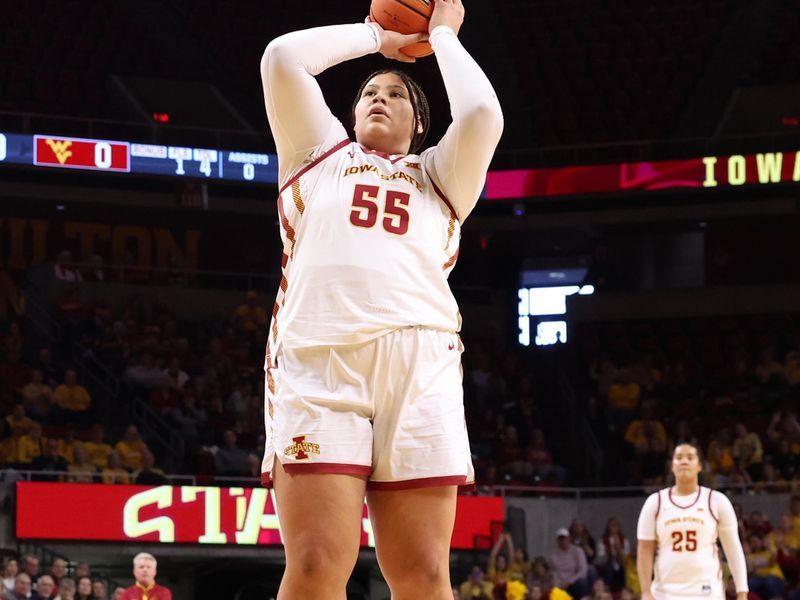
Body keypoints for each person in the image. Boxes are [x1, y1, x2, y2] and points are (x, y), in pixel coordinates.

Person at [258, 0, 503, 598]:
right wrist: (378, 37)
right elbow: (283, 57)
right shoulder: (319, 155)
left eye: (395, 95)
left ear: (419, 123)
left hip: (421, 368)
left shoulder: (440, 176)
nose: (378, 97)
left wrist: (441, 36)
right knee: (316, 564)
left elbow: (481, 113)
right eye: (369, 91)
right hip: (321, 361)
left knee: (422, 574)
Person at [636, 443, 748, 600]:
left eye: (690, 457)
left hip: (707, 592)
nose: (684, 461)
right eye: (679, 457)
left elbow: (733, 549)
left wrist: (742, 591)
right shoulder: (655, 502)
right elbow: (644, 551)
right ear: (672, 466)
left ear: (699, 466)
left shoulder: (716, 501)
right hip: (664, 593)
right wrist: (646, 591)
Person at [549, 528, 590, 599]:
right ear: (557, 541)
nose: (563, 541)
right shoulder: (553, 556)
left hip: (574, 582)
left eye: (565, 538)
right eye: (561, 539)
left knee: (582, 582)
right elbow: (554, 573)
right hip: (561, 584)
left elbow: (582, 570)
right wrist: (559, 585)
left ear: (569, 538)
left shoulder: (577, 551)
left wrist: (569, 581)